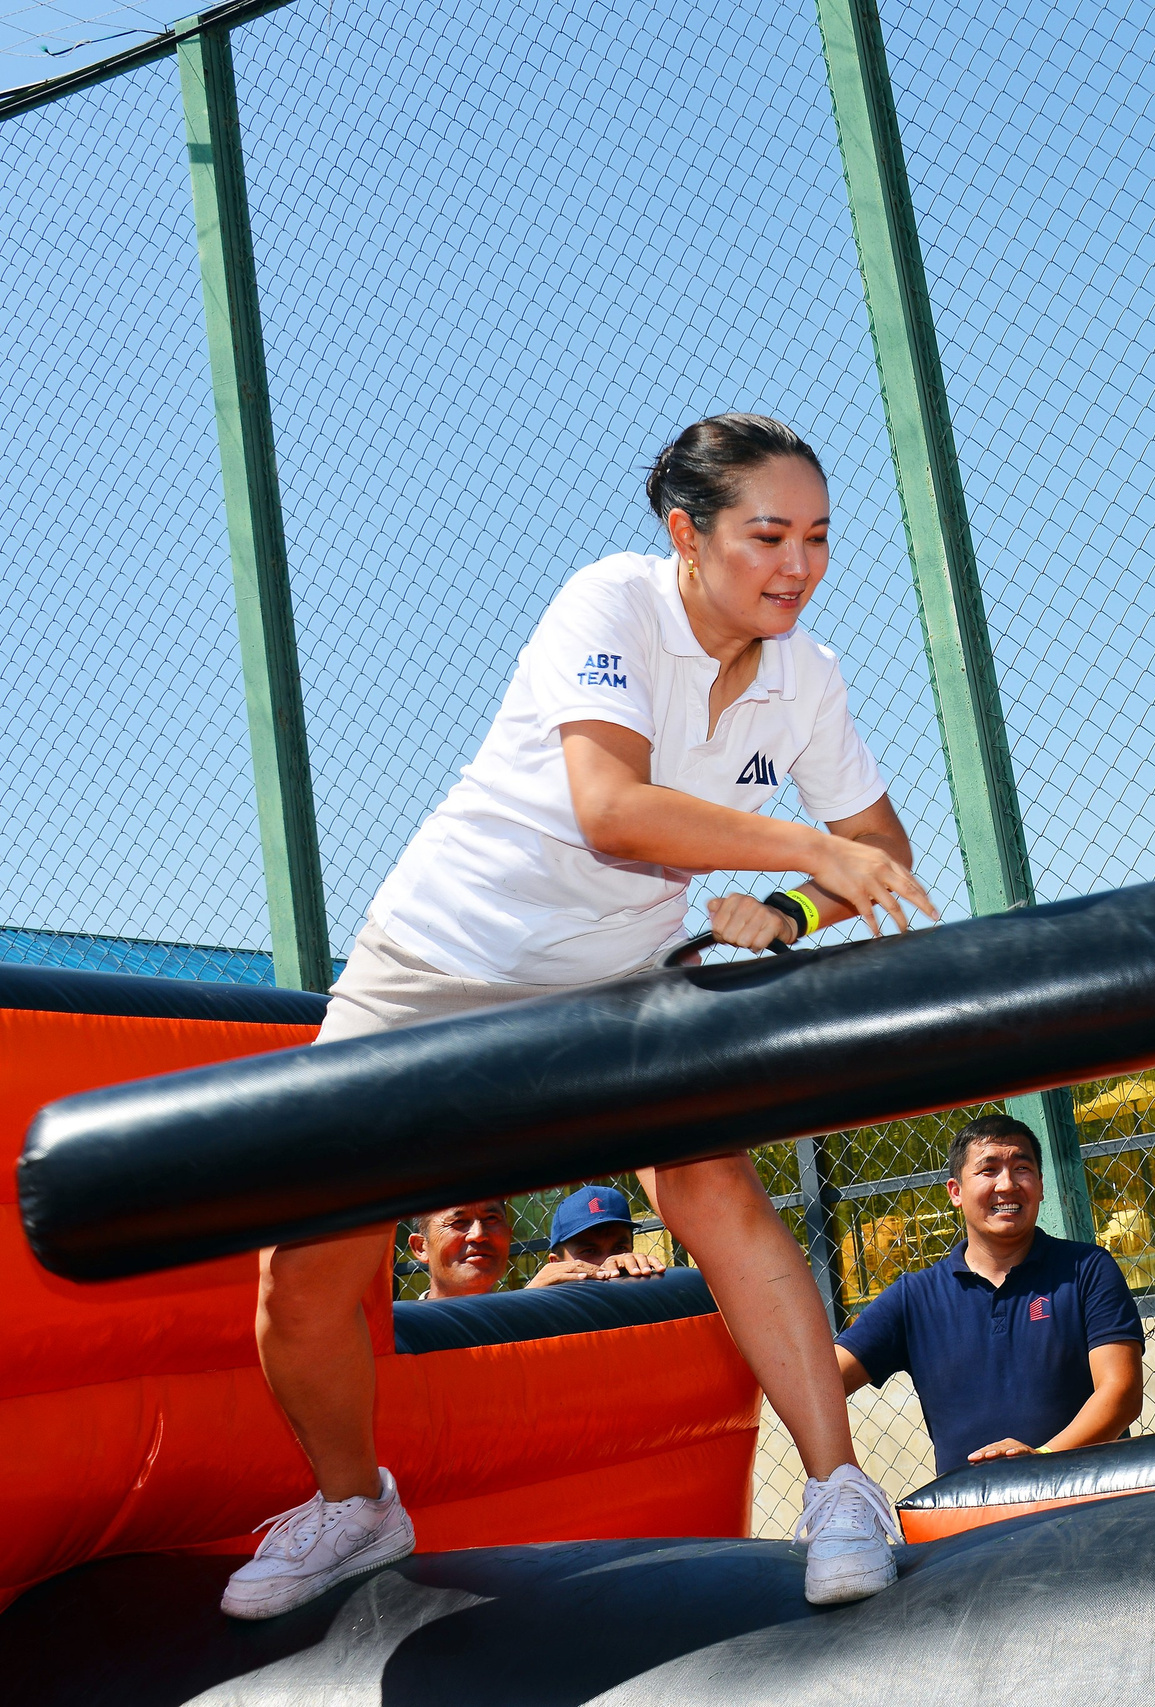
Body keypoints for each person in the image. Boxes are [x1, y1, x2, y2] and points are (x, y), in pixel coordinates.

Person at [219, 415, 937, 1621]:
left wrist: (789, 906)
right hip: (439, 961)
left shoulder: (804, 676)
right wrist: (804, 848)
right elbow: (612, 808)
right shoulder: (606, 603)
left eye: (818, 537)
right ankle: (354, 1507)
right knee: (302, 1275)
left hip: (621, 972)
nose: (798, 565)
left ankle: (838, 1488)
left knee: (714, 1188)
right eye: (769, 534)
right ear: (686, 534)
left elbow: (880, 849)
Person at [835, 1115, 1144, 1477]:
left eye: (1022, 1168)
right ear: (956, 1192)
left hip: (1088, 1502)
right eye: (989, 1170)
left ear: (1041, 1185)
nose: (1008, 1184)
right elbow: (819, 1387)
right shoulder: (913, 1298)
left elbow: (1120, 1392)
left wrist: (1042, 1459)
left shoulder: (1087, 1269)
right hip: (970, 1520)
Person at [527, 1184, 668, 1287]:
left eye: (619, 1248)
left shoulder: (646, 1294)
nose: (608, 1262)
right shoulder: (544, 1310)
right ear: (556, 1263)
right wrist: (530, 1297)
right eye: (589, 1251)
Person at [405, 1200, 513, 1300]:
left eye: (491, 1218)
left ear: (509, 1236)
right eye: (459, 1222)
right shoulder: (402, 1320)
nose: (478, 1234)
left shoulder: (524, 1317)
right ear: (420, 1247)